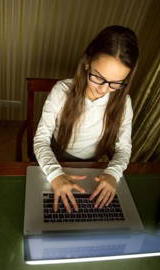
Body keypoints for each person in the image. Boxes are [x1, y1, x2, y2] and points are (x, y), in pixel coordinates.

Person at [34, 25, 139, 214]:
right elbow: (41, 139)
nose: (104, 89)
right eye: (98, 77)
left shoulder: (124, 103)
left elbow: (124, 147)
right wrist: (55, 174)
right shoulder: (62, 91)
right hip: (56, 157)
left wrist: (113, 173)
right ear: (87, 63)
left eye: (116, 83)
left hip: (94, 164)